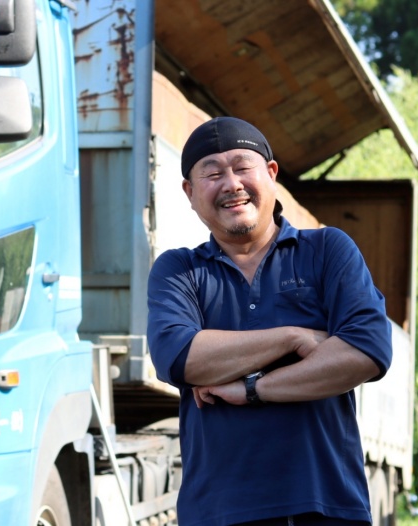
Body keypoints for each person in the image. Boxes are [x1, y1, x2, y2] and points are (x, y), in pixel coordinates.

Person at [146, 116, 392, 526]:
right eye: (212, 174)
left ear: (271, 174)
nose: (231, 184)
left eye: (243, 167)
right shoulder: (180, 270)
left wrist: (251, 389)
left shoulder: (327, 250)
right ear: (189, 192)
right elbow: (180, 358)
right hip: (219, 513)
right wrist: (293, 338)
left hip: (326, 506)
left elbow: (366, 352)